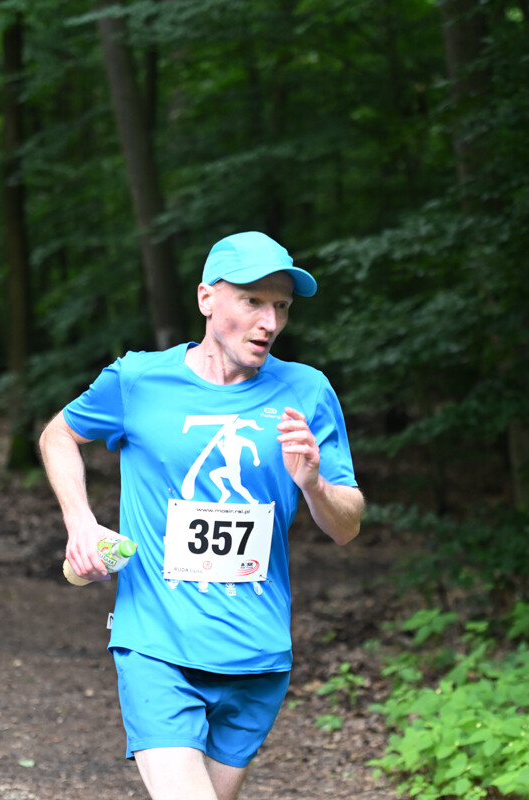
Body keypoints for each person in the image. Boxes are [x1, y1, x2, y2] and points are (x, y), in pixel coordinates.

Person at [38, 231, 365, 800]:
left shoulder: (307, 390)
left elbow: (347, 525)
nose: (270, 321)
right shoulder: (139, 380)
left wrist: (312, 482)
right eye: (253, 301)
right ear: (206, 299)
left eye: (281, 306)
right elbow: (58, 434)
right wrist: (80, 521)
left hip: (257, 654)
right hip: (157, 643)